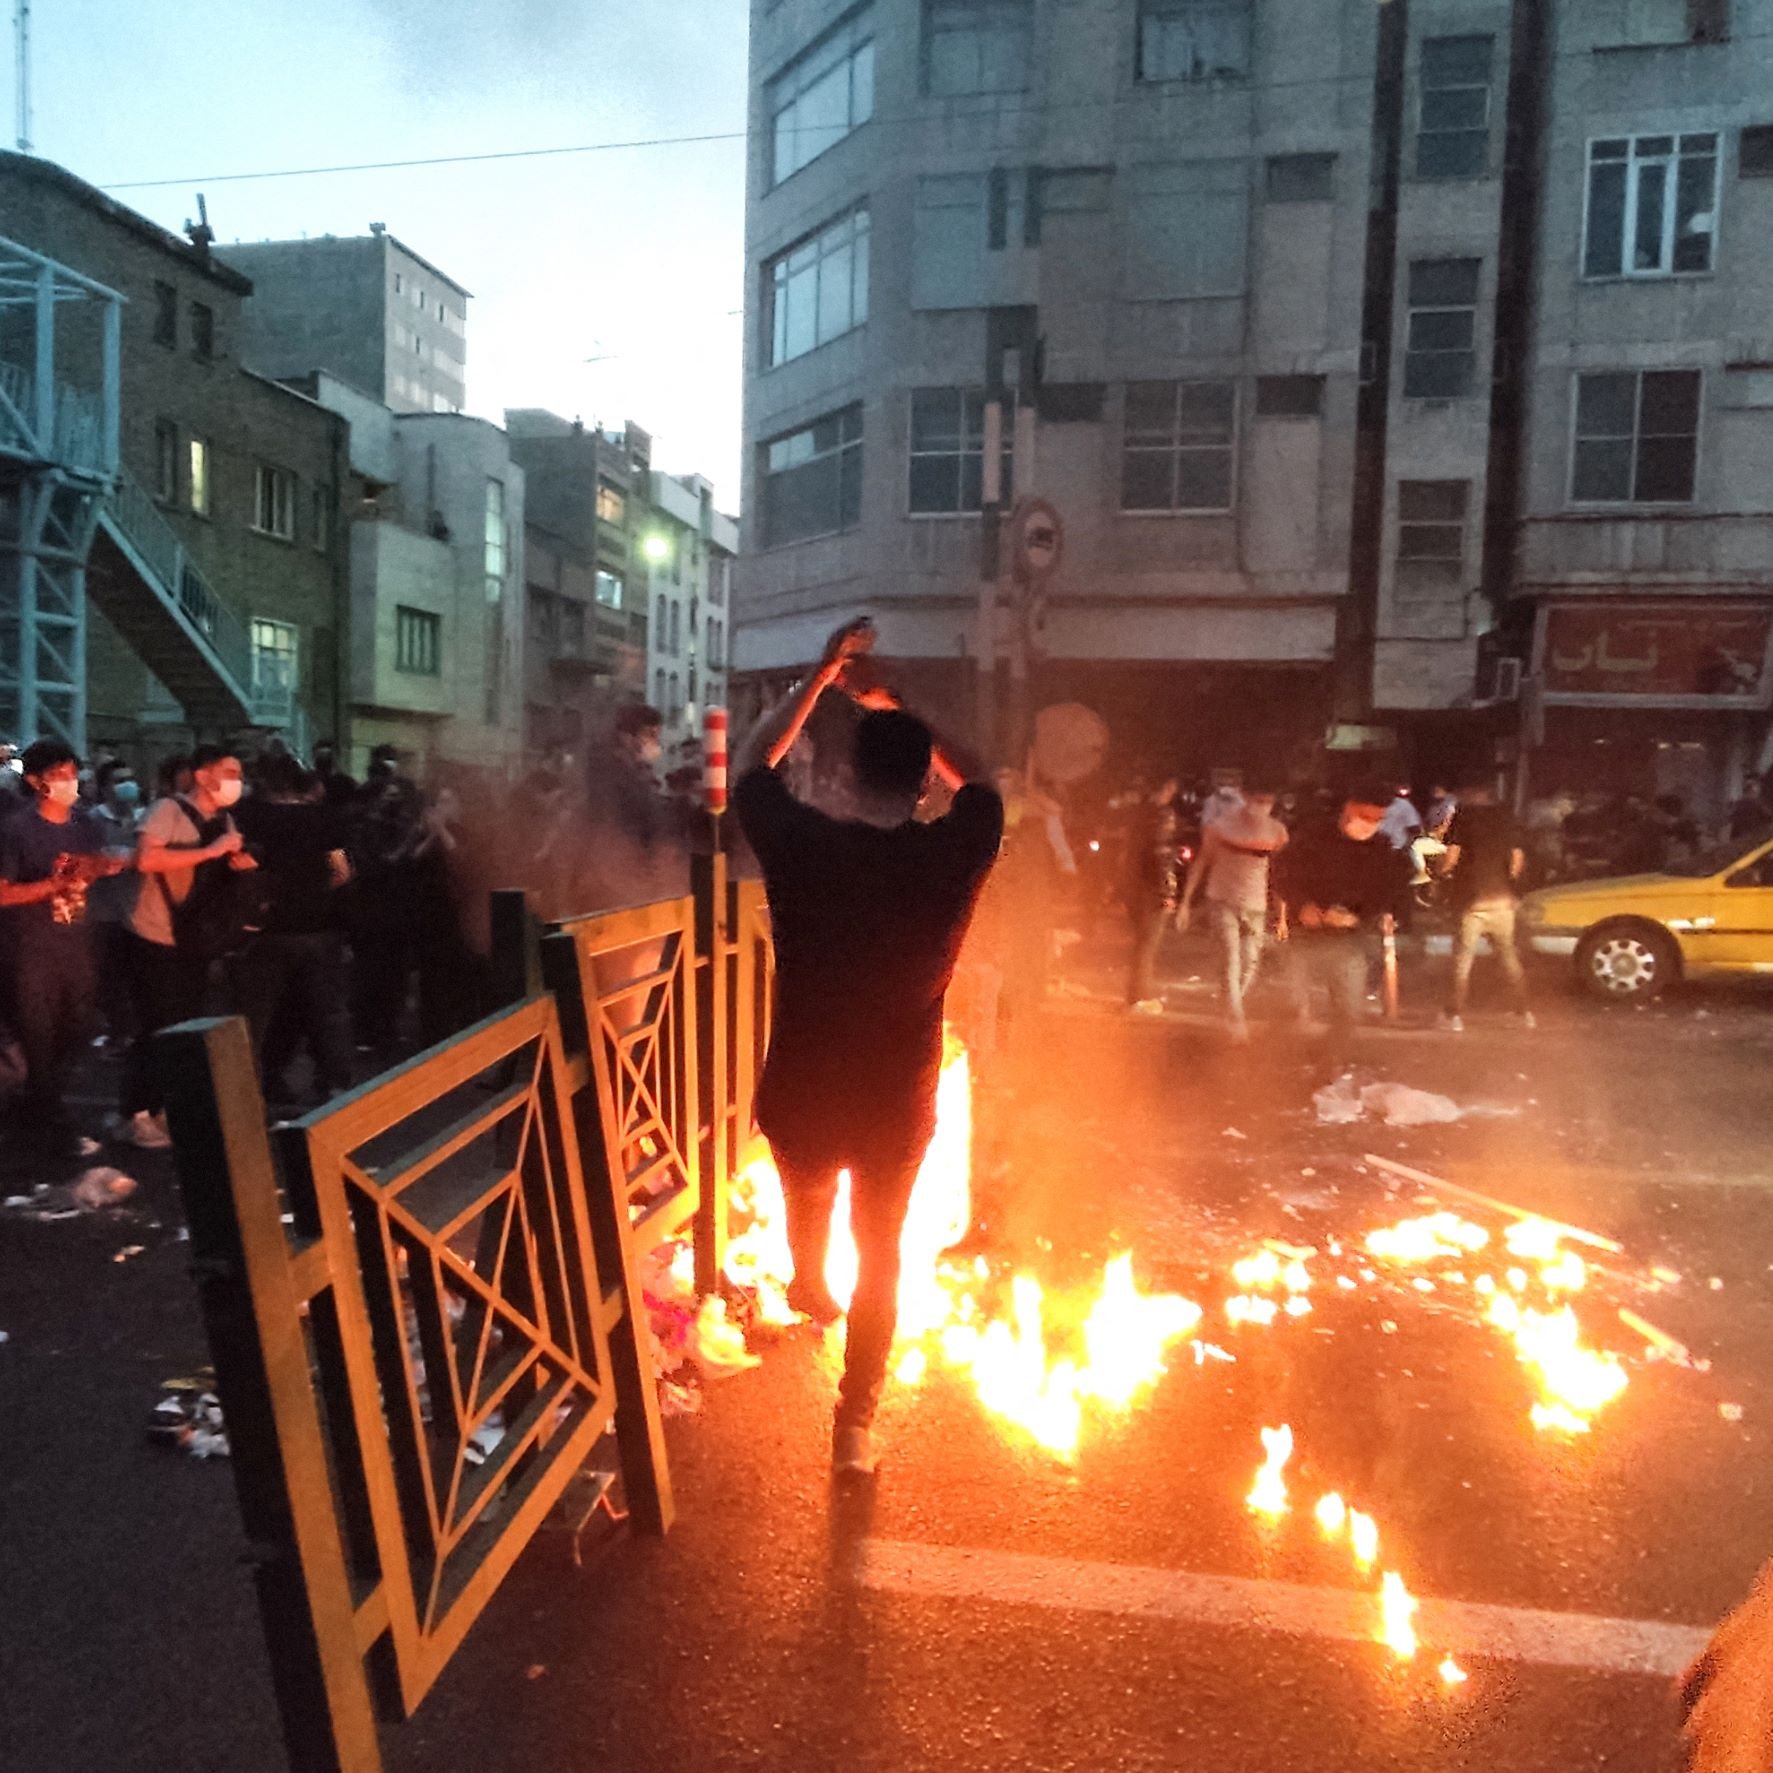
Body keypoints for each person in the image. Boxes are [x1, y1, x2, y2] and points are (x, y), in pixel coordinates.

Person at [733, 618, 1002, 1476]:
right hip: (896, 1099)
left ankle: (807, 1277)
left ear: (844, 775)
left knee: (807, 1196)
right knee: (880, 1252)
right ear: (924, 783)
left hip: (803, 1090)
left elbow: (751, 764)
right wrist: (899, 701)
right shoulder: (951, 854)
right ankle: (855, 1427)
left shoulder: (803, 845)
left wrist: (821, 677)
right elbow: (988, 777)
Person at [119, 744, 255, 1150]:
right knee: (157, 1025)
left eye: (238, 774)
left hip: (195, 938)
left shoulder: (225, 819)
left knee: (183, 1026)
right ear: (202, 776)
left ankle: (164, 1110)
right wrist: (212, 851)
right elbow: (145, 860)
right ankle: (135, 1113)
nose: (236, 781)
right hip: (154, 933)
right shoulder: (167, 811)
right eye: (229, 771)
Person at [0, 741, 128, 1160]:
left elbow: (93, 865)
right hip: (30, 945)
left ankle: (37, 1105)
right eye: (59, 774)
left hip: (76, 939)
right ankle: (45, 1118)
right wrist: (52, 884)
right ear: (36, 781)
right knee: (37, 1030)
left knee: (77, 1026)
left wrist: (101, 867)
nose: (69, 782)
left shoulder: (85, 825)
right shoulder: (16, 829)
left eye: (73, 772)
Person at [230, 754, 354, 1107]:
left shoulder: (248, 816)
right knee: (327, 1013)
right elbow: (343, 872)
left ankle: (243, 1089)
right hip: (319, 927)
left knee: (254, 1017)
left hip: (264, 929)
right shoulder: (323, 819)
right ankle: (336, 1085)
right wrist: (314, 890)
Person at [1274, 785, 1410, 1050]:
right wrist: (1303, 907)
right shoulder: (1313, 837)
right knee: (1292, 1010)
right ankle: (1276, 1065)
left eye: (1378, 819)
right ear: (1349, 809)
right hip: (1304, 938)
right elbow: (1282, 874)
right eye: (1366, 816)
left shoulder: (1380, 849)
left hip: (1348, 942)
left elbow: (1388, 891)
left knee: (1348, 1013)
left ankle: (1331, 1065)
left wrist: (1359, 918)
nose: (1370, 824)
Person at [1179, 782, 1289, 1042]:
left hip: (1256, 905)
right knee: (1230, 958)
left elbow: (1281, 876)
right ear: (1245, 796)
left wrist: (1282, 916)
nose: (1261, 807)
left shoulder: (1277, 832)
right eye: (1257, 799)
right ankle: (1236, 1023)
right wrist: (1185, 901)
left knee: (1250, 961)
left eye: (1267, 801)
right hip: (1221, 899)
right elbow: (1202, 862)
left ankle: (1228, 1008)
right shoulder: (1220, 827)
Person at [1438, 778, 1533, 1032]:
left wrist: (1441, 872)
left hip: (1472, 900)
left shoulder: (1463, 817)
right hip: (1502, 899)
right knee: (1508, 955)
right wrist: (1508, 885)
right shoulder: (1506, 817)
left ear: (1472, 793)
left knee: (1462, 959)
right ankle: (1523, 1013)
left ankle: (1453, 1016)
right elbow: (1517, 858)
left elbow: (1451, 856)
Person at [1123, 778, 1182, 1015]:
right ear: (1167, 787)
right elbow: (1162, 854)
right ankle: (1139, 995)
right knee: (1148, 944)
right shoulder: (1162, 816)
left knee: (1141, 943)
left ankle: (1136, 993)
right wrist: (1167, 891)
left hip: (1134, 884)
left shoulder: (1137, 812)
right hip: (1151, 888)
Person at [312, 738, 358, 809]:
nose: (324, 758)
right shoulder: (348, 783)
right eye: (321, 755)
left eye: (327, 755)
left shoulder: (347, 783)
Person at [1378, 785, 1423, 851]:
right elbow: (1415, 828)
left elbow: (1414, 828)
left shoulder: (1404, 805)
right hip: (1387, 844)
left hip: (1394, 845)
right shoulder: (1386, 805)